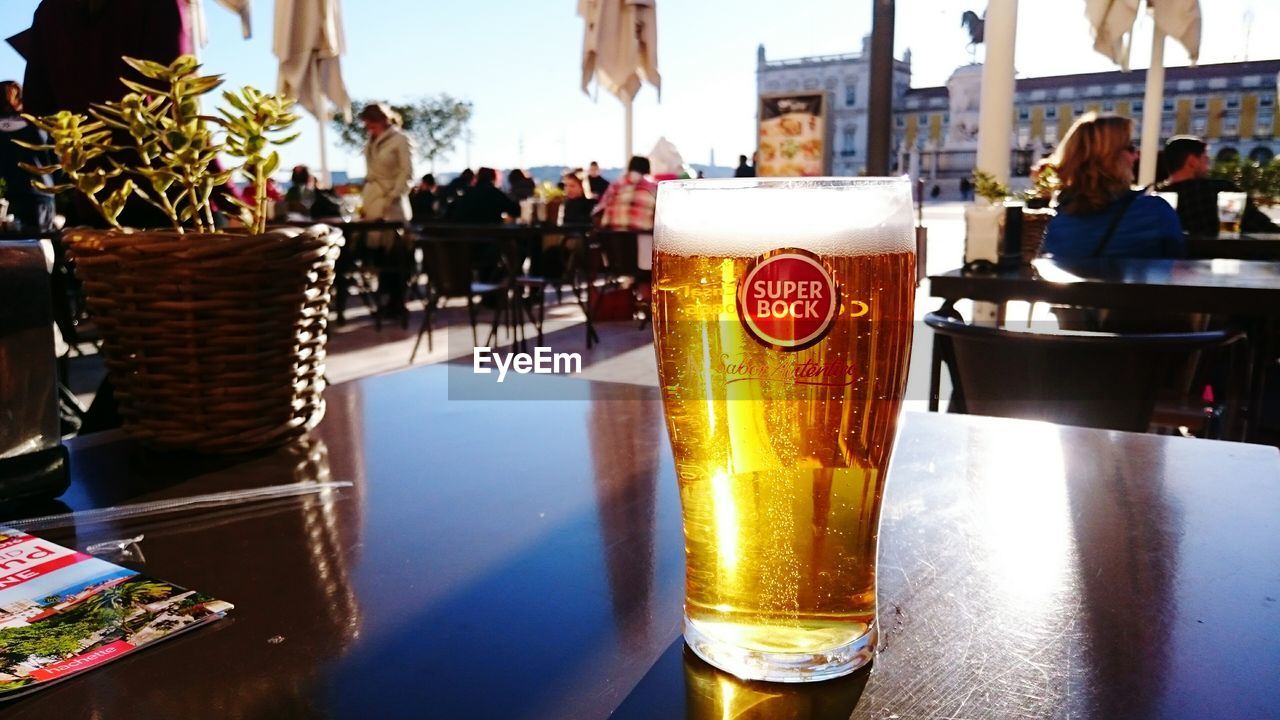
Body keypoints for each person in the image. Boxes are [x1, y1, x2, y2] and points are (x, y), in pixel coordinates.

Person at [1042, 113, 1183, 259]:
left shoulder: (1057, 219)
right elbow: (1174, 264)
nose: (1136, 156)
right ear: (1109, 158)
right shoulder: (1154, 211)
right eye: (1130, 148)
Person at [1155, 135, 1280, 236]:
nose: (1208, 166)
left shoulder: (1156, 197)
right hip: (1223, 261)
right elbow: (1262, 227)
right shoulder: (1221, 191)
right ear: (1192, 161)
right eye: (1206, 159)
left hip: (1169, 263)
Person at [359, 103, 415, 320]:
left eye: (371, 122)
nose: (368, 127)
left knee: (396, 256)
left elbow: (407, 173)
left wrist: (393, 197)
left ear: (381, 120)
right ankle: (385, 301)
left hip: (393, 206)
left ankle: (397, 301)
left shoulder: (400, 139)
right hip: (373, 202)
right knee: (379, 257)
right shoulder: (371, 142)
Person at [0, 80, 55, 231]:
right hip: (39, 195)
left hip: (5, 197)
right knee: (40, 246)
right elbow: (57, 158)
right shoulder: (40, 125)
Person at [594, 155, 658, 232]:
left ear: (629, 167)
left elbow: (600, 208)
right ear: (647, 169)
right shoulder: (653, 188)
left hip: (614, 234)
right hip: (643, 234)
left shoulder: (616, 185)